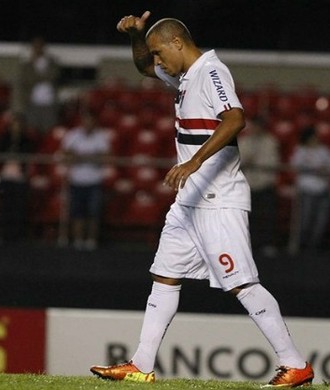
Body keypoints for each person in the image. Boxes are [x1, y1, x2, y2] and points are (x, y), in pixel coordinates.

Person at [90, 11, 314, 387]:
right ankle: (141, 364)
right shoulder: (184, 75)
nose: (158, 61)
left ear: (178, 42)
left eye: (160, 52)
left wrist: (194, 161)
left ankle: (296, 365)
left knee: (242, 284)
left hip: (218, 198)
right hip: (189, 201)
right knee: (164, 276)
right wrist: (138, 36)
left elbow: (235, 119)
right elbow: (145, 69)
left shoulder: (211, 72)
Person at [60, 111, 110, 251]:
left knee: (93, 212)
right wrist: (90, 157)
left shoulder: (100, 136)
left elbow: (105, 156)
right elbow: (65, 154)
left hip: (94, 180)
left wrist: (80, 157)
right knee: (77, 212)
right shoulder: (73, 135)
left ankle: (91, 241)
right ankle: (78, 241)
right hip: (76, 180)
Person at [238, 117, 281, 257]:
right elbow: (238, 160)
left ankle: (266, 244)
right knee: (246, 216)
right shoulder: (244, 141)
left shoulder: (270, 142)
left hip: (265, 184)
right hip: (248, 184)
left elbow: (273, 162)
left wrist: (255, 162)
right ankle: (245, 244)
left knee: (266, 216)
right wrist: (247, 160)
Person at [290, 126, 330, 253]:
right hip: (306, 189)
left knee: (321, 221)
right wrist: (313, 169)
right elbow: (294, 166)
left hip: (323, 189)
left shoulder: (324, 151)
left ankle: (315, 246)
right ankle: (301, 246)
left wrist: (323, 170)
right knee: (305, 219)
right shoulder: (300, 150)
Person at [0, 112, 37, 243]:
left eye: (19, 124)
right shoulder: (4, 139)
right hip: (6, 177)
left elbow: (30, 156)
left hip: (20, 178)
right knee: (6, 207)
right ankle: (5, 235)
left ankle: (18, 236)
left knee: (19, 207)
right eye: (14, 124)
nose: (16, 127)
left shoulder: (27, 141)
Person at [20, 36, 61, 134]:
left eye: (40, 46)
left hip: (49, 102)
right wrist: (43, 76)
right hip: (33, 102)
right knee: (32, 131)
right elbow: (27, 80)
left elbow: (54, 76)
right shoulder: (28, 64)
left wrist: (37, 77)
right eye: (35, 46)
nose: (37, 48)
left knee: (48, 131)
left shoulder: (52, 62)